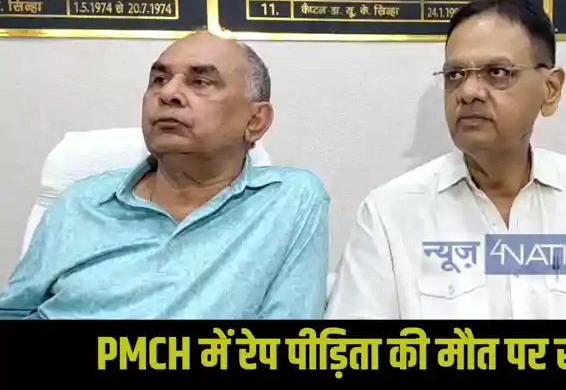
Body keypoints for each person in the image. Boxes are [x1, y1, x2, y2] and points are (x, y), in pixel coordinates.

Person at [326, 0, 566, 320]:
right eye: (455, 75)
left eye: (496, 73)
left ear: (551, 89)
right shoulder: (390, 215)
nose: (468, 92)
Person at [0, 31, 330, 319]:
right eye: (159, 79)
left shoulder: (288, 202)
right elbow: (13, 310)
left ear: (255, 121)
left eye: (200, 81)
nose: (168, 93)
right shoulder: (81, 202)